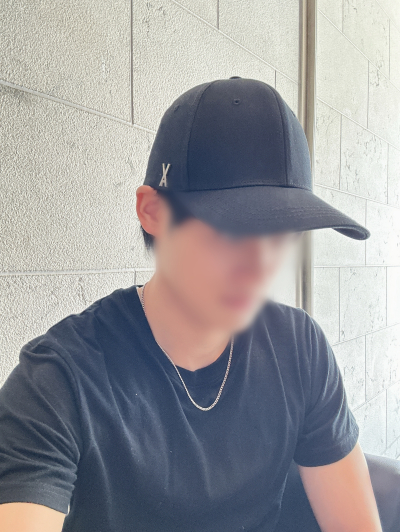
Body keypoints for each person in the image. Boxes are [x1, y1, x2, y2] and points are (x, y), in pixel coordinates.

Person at [0, 77, 382, 532]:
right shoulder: (62, 379)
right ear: (153, 211)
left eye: (283, 233)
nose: (260, 266)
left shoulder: (299, 348)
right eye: (233, 229)